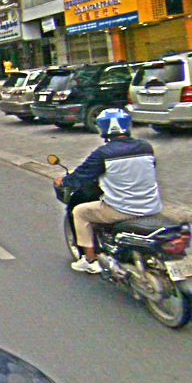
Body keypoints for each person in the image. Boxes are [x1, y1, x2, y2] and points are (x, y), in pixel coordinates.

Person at [54, 107, 163, 274]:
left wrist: (63, 181)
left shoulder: (103, 154)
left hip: (122, 210)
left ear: (103, 128)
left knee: (79, 212)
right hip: (152, 207)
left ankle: (90, 260)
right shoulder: (146, 147)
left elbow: (81, 176)